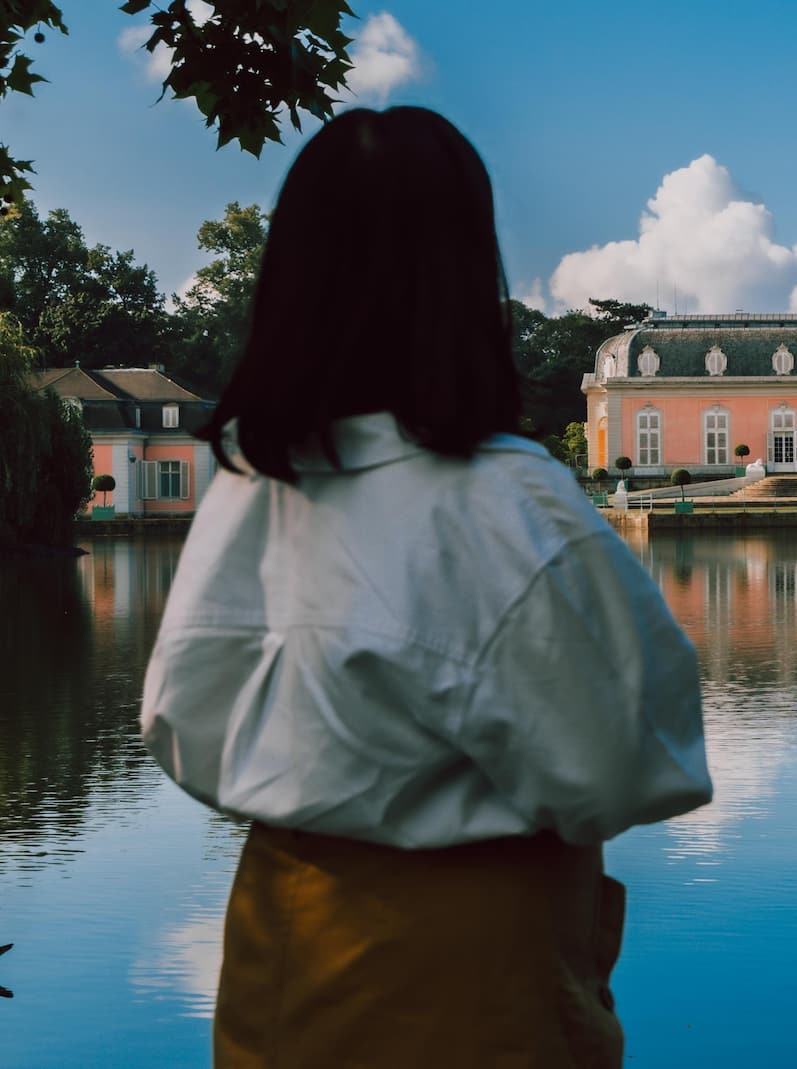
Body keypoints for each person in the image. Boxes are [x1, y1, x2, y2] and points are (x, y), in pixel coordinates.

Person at [138, 107, 711, 1068]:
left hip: (277, 947)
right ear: (462, 276)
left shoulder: (248, 482)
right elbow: (631, 759)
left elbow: (178, 720)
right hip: (464, 968)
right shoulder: (506, 501)